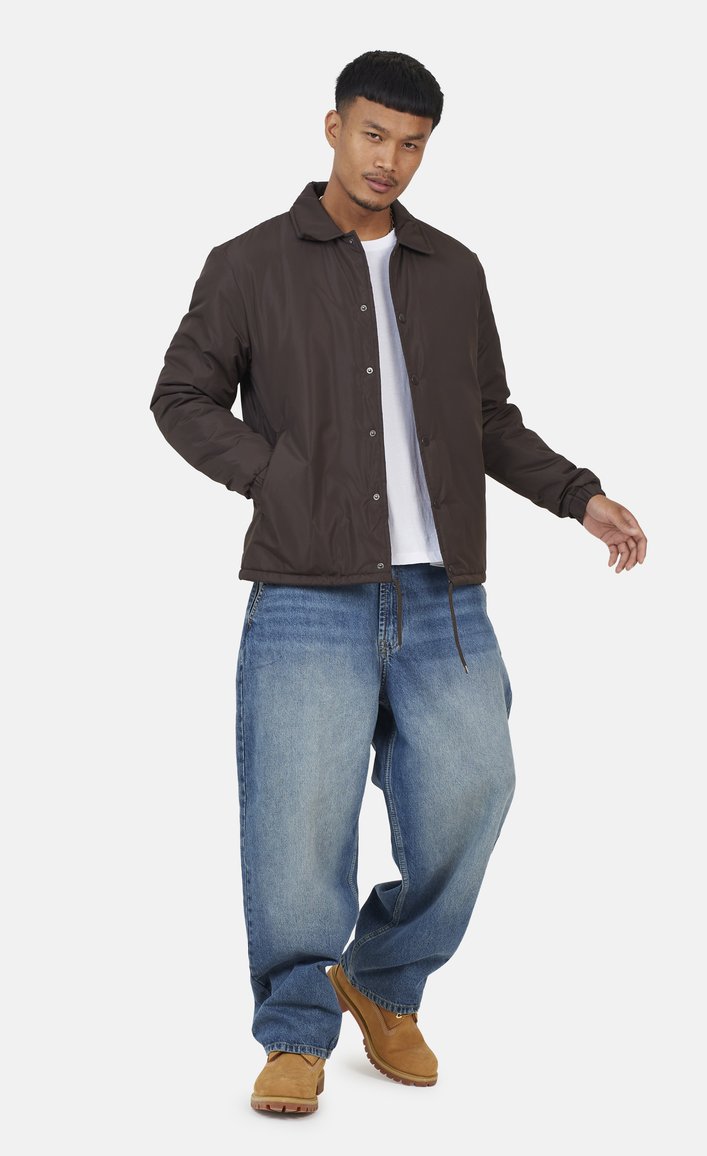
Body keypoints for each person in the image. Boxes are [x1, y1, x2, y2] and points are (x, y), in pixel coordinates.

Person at [150, 48, 647, 1116]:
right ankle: (295, 1029)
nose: (390, 159)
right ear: (333, 127)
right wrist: (276, 477)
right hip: (306, 590)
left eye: (412, 144)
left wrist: (578, 496)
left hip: (443, 595)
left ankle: (380, 981)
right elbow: (182, 396)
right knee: (296, 819)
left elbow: (487, 420)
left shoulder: (453, 270)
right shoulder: (248, 263)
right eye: (373, 134)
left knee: (476, 788)